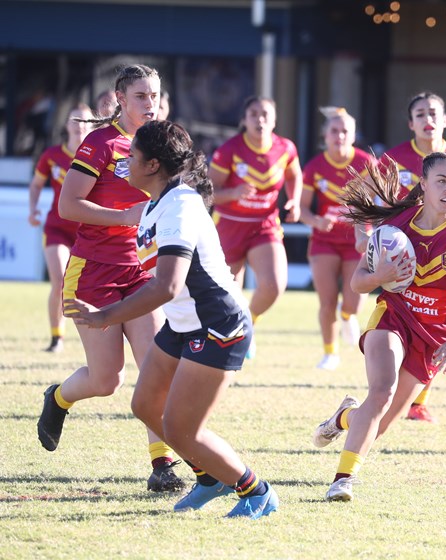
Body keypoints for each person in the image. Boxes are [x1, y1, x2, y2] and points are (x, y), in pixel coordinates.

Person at [64, 120, 279, 519]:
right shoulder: (153, 204)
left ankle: (257, 491)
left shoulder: (179, 206)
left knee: (182, 429)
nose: (125, 162)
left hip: (218, 326)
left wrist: (105, 316)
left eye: (132, 157)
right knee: (145, 405)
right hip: (185, 325)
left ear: (153, 165)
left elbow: (166, 286)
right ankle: (210, 478)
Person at [311, 153, 446, 501]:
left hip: (435, 336)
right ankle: (342, 481)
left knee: (378, 424)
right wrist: (380, 277)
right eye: (442, 181)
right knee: (381, 391)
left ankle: (343, 419)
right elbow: (357, 284)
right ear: (424, 184)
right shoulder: (398, 225)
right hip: (393, 316)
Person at [36, 64, 185, 493]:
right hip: (93, 272)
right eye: (141, 96)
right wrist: (124, 216)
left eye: (154, 95)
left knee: (157, 370)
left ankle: (162, 467)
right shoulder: (99, 143)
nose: (150, 103)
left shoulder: (161, 144)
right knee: (107, 380)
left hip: (140, 271)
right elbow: (67, 205)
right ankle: (59, 398)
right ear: (120, 98)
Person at [380, 91, 446, 423]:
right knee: (404, 316)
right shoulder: (392, 159)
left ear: (445, 120)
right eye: (420, 114)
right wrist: (364, 234)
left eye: (434, 113)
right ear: (410, 123)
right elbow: (373, 202)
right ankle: (392, 387)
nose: (428, 120)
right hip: (404, 253)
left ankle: (418, 398)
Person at [209, 95, 302, 359]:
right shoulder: (229, 150)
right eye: (253, 114)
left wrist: (294, 200)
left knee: (273, 285)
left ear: (274, 120)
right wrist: (234, 192)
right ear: (244, 119)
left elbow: (294, 174)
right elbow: (209, 192)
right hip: (229, 225)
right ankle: (225, 340)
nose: (260, 119)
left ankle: (247, 322)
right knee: (225, 292)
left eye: (265, 114)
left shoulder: (285, 148)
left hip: (265, 224)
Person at [299, 107, 375, 370]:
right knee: (327, 299)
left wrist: (363, 225)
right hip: (324, 241)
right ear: (324, 135)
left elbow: (377, 203)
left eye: (345, 131)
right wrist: (315, 221)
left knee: (354, 299)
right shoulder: (314, 166)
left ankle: (348, 316)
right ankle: (330, 354)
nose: (339, 135)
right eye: (334, 130)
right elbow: (302, 209)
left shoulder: (367, 163)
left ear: (353, 135)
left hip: (358, 240)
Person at [28, 103, 93, 352]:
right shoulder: (52, 155)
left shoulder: (97, 156)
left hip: (87, 232)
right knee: (60, 278)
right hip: (56, 229)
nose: (80, 126)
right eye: (75, 120)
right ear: (66, 125)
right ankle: (57, 337)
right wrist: (32, 208)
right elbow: (36, 185)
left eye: (86, 121)